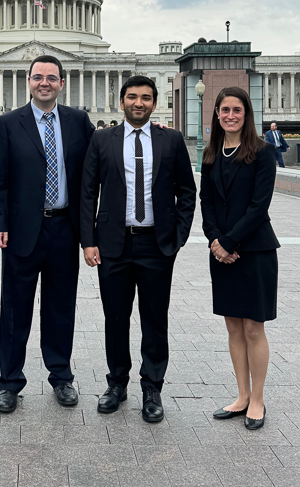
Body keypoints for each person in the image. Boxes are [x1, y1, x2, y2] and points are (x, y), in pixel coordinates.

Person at [80, 75, 196, 422]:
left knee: (154, 319)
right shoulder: (101, 139)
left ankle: (152, 386)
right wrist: (89, 240)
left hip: (156, 244)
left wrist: (177, 236)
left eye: (146, 98)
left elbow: (187, 193)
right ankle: (116, 383)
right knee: (115, 318)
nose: (139, 103)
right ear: (122, 102)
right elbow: (88, 192)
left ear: (154, 104)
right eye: (132, 97)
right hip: (114, 243)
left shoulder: (171, 140)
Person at [0, 55, 94, 413]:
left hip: (65, 226)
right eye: (38, 77)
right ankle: (10, 382)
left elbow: (96, 169)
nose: (44, 83)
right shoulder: (7, 123)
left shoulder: (79, 122)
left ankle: (61, 377)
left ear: (62, 82)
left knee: (60, 306)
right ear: (28, 81)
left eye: (51, 77)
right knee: (15, 310)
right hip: (20, 230)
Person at [200, 87, 279, 430]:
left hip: (255, 250)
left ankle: (258, 400)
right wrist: (215, 240)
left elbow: (259, 206)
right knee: (233, 325)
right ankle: (241, 396)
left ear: (247, 114)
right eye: (224, 110)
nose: (230, 115)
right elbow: (207, 203)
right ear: (216, 114)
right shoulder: (211, 154)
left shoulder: (261, 153)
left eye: (237, 110)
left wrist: (229, 242)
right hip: (222, 252)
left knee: (253, 327)